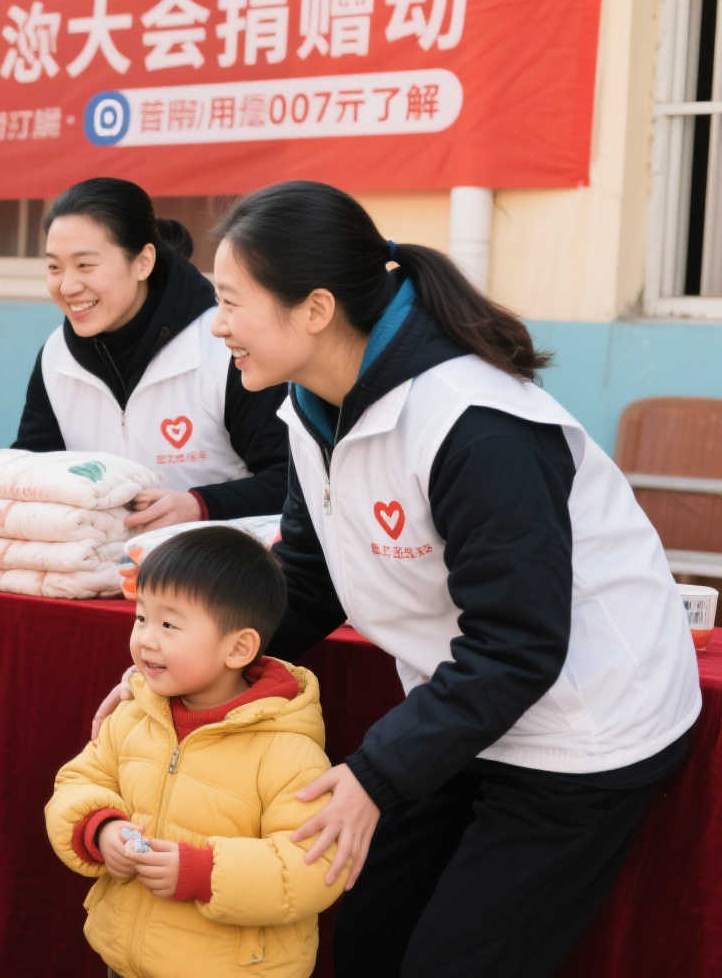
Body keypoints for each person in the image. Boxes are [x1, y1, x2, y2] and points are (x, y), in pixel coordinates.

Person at [211, 181, 700, 976]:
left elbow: (518, 645)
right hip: (464, 705)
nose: (219, 326)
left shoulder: (475, 423)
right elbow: (308, 576)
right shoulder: (311, 404)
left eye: (232, 302)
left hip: (583, 726)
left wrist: (374, 775)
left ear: (315, 309)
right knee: (369, 931)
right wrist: (202, 665)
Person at [47, 526, 341, 978]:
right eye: (141, 617)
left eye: (169, 624)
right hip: (125, 961)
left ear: (239, 647)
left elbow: (314, 864)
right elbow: (78, 782)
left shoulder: (287, 749)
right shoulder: (135, 715)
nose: (146, 639)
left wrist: (205, 873)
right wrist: (100, 829)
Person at [15, 177, 288, 530]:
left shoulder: (224, 346)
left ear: (143, 262)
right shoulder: (56, 356)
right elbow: (32, 471)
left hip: (214, 573)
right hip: (95, 572)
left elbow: (290, 480)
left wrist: (200, 505)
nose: (67, 286)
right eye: (54, 267)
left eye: (85, 265)